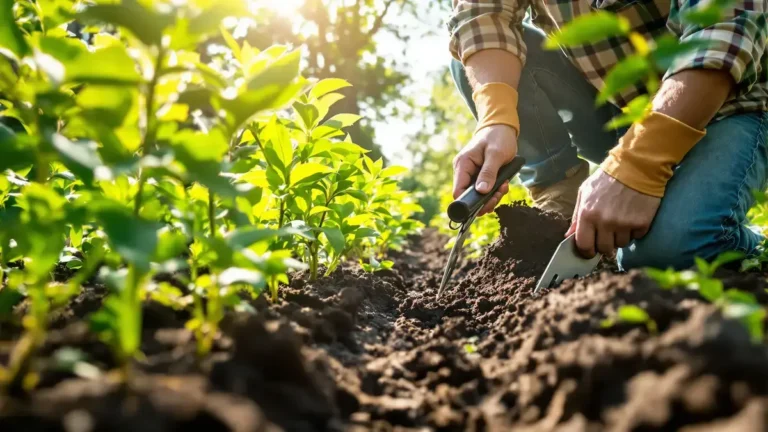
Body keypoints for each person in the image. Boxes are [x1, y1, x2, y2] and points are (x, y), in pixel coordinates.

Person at [447, 0, 768, 270]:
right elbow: (480, 14)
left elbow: (724, 33)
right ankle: (561, 207)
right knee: (472, 58)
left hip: (731, 105)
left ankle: (756, 247)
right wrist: (496, 118)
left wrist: (637, 165)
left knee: (666, 253)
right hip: (620, 108)